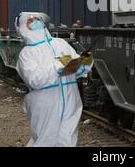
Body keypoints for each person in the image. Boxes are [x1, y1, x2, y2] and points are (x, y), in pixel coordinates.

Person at [15, 12, 93, 147]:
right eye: (31, 20)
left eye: (38, 19)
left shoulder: (60, 43)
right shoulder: (27, 53)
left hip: (70, 99)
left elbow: (75, 70)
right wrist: (59, 64)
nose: (36, 21)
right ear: (23, 27)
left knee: (67, 140)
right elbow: (35, 79)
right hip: (46, 104)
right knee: (45, 140)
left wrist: (84, 62)